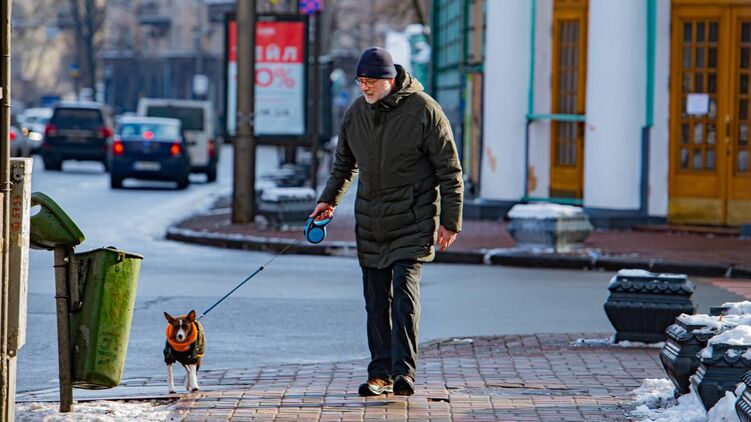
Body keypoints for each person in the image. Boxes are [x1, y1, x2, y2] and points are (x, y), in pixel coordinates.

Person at [310, 47, 463, 397]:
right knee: (375, 301)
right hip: (372, 221)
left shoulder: (425, 111)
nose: (365, 88)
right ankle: (379, 373)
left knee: (404, 295)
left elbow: (450, 172)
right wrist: (328, 200)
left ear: (390, 80)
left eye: (371, 82)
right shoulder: (356, 114)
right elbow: (344, 164)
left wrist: (450, 222)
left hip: (414, 219)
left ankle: (403, 372)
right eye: (361, 82)